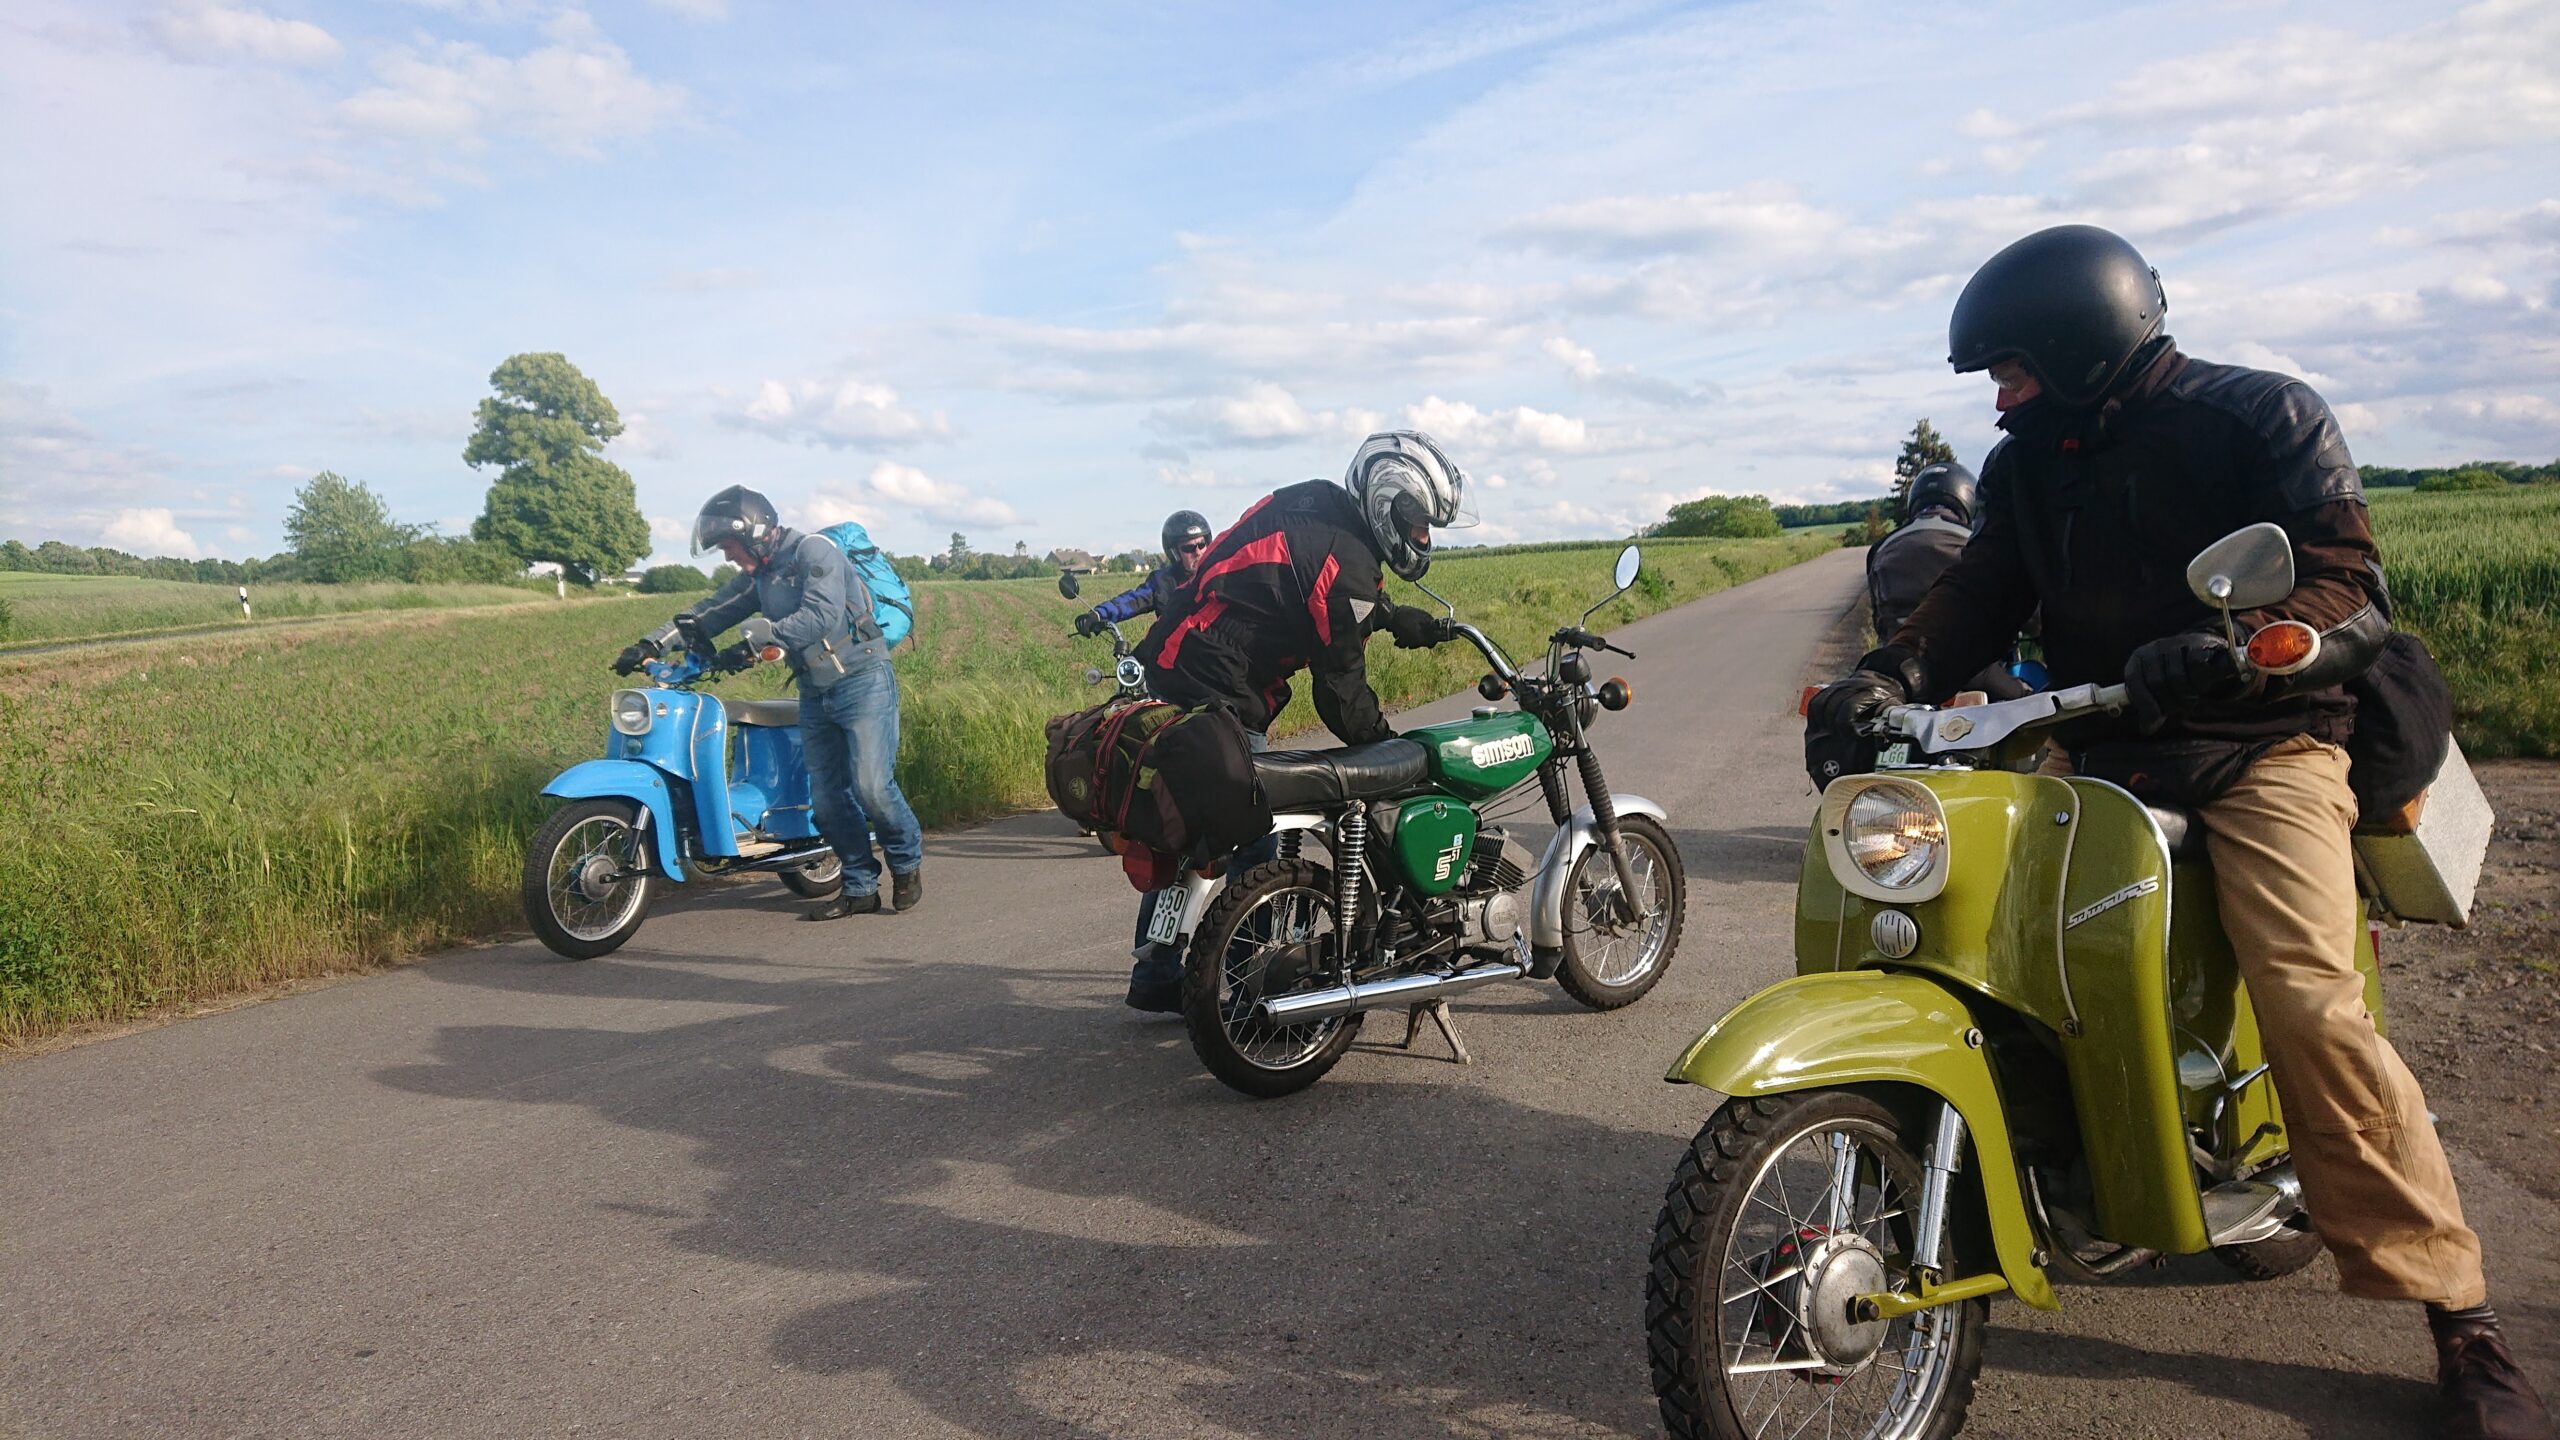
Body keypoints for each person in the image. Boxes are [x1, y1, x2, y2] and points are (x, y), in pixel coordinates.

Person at [1806, 224, 2544, 1440]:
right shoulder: (2031, 461)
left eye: (2013, 368)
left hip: (2267, 745)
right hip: (2101, 744)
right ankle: (2041, 1154)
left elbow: (2349, 587)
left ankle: (2460, 1318)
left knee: (2311, 1001)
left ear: (2080, 343)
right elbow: (1982, 587)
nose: (2000, 394)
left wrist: (2239, 652)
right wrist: (1887, 673)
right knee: (1969, 919)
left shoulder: (2259, 417)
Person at [1114, 431, 1472, 1012]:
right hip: (1215, 683)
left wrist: (1392, 617)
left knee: (1184, 828)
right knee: (1260, 829)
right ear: (1386, 506)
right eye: (1418, 523)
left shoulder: (1320, 503)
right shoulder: (1346, 556)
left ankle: (1156, 970)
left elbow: (1301, 583)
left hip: (1174, 660)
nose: (1423, 537)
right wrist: (1392, 758)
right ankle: (1254, 988)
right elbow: (1340, 691)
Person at [615, 485, 925, 920]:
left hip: (863, 681)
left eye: (729, 546)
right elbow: (712, 610)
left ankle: (906, 862)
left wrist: (761, 640)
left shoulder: (815, 554)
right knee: (827, 798)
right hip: (815, 691)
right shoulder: (761, 576)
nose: (726, 556)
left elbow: (822, 615)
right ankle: (859, 886)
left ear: (756, 533)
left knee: (871, 786)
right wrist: (651, 643)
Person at [1865, 459, 2028, 703]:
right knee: (2038, 715)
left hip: (1896, 670)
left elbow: (1878, 618)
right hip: (1971, 671)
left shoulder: (1881, 549)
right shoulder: (1977, 541)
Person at [1074, 510, 1212, 638]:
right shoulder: (1163, 582)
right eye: (1189, 548)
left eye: (1202, 544)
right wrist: (1098, 615)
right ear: (1175, 553)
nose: (1198, 552)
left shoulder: (1218, 578)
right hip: (1170, 655)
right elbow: (1131, 601)